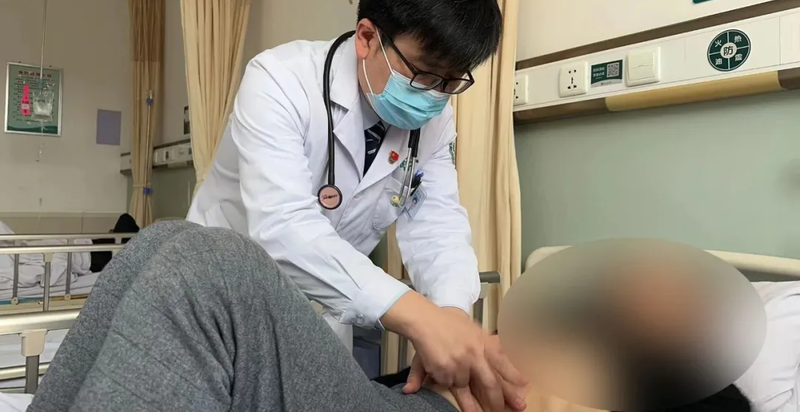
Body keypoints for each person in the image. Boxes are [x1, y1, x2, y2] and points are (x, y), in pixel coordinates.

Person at [186, 0, 519, 410]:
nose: (435, 95)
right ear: (367, 37)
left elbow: (437, 223)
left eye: (451, 81)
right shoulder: (279, 80)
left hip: (322, 312)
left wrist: (451, 315)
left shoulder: (435, 120)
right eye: (423, 74)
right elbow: (283, 227)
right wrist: (419, 318)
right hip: (222, 296)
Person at [27, 222, 753, 412]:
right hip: (394, 399)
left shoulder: (705, 393)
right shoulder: (571, 322)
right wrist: (453, 343)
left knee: (212, 267)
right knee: (162, 242)